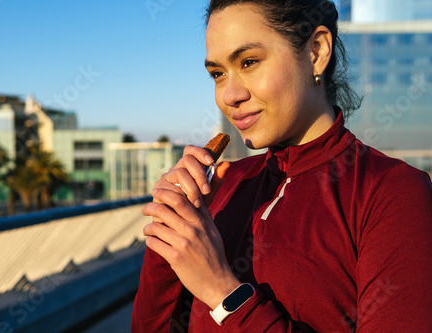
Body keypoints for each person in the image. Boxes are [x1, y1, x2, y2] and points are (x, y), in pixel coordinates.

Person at [131, 0, 432, 331]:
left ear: (316, 51)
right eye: (217, 73)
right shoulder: (226, 184)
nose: (229, 94)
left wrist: (222, 292)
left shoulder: (393, 192)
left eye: (249, 62)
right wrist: (171, 233)